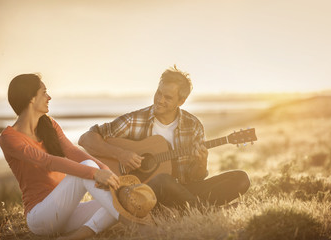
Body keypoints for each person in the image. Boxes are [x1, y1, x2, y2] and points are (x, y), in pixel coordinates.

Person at [0, 74, 155, 240]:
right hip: (41, 217)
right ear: (31, 98)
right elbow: (48, 161)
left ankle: (81, 234)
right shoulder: (9, 138)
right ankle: (131, 223)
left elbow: (72, 152)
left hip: (67, 212)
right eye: (44, 92)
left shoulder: (48, 124)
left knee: (119, 201)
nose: (49, 97)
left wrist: (105, 170)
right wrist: (95, 173)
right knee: (87, 168)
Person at [79, 65, 250, 209]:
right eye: (158, 93)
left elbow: (196, 178)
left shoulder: (194, 126)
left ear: (181, 101)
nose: (159, 100)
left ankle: (187, 208)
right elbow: (86, 139)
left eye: (167, 97)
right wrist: (120, 154)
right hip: (142, 194)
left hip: (181, 190)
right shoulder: (134, 120)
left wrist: (201, 162)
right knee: (163, 180)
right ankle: (203, 210)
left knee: (240, 179)